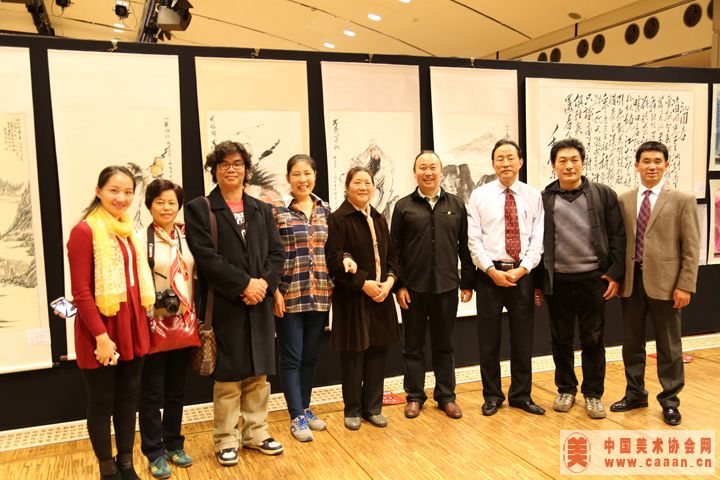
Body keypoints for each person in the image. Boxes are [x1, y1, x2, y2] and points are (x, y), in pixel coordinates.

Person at [185, 140, 285, 466]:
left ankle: (256, 432)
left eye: (237, 163)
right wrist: (244, 284)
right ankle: (226, 439)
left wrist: (264, 285)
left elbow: (276, 254)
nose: (231, 169)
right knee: (228, 378)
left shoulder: (262, 209)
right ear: (214, 170)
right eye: (224, 164)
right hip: (225, 304)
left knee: (258, 375)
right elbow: (207, 259)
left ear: (246, 169)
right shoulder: (200, 208)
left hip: (259, 304)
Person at [67, 166, 156, 480]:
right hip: (101, 329)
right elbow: (81, 292)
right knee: (102, 401)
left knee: (128, 399)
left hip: (131, 324)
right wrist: (101, 337)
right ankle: (108, 470)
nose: (122, 198)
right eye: (114, 191)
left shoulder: (126, 228)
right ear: (99, 191)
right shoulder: (84, 231)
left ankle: (127, 464)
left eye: (128, 192)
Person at [610, 141, 700, 426]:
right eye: (646, 161)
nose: (652, 166)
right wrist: (616, 277)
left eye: (657, 161)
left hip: (668, 284)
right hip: (631, 282)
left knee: (669, 346)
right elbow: (619, 242)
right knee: (631, 344)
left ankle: (670, 401)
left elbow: (691, 247)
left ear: (666, 165)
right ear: (636, 165)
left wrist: (685, 284)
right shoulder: (624, 200)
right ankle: (635, 393)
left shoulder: (682, 200)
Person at [537, 138, 625, 419]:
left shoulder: (602, 194)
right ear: (553, 166)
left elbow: (618, 236)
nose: (569, 166)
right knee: (560, 339)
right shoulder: (544, 199)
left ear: (583, 163)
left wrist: (614, 274)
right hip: (558, 281)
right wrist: (539, 283)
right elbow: (535, 243)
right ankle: (566, 388)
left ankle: (593, 393)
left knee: (593, 338)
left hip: (593, 279)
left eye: (574, 160)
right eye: (562, 161)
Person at [391, 151, 474, 420]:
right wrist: (399, 286)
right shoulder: (403, 207)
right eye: (422, 167)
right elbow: (395, 250)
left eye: (433, 167)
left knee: (444, 345)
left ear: (441, 171)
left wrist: (468, 282)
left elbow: (465, 247)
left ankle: (446, 396)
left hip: (447, 287)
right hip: (413, 288)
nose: (428, 172)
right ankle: (414, 396)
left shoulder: (456, 205)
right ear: (415, 172)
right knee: (413, 346)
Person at [467, 139, 545, 417]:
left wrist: (523, 269)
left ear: (520, 162)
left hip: (522, 274)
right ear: (493, 164)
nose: (505, 163)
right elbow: (473, 240)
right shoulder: (480, 196)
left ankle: (521, 395)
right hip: (489, 275)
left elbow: (537, 239)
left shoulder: (533, 196)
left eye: (511, 158)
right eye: (500, 158)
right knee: (488, 340)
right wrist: (491, 270)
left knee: (522, 339)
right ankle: (492, 396)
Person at [326, 166, 400, 430]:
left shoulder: (379, 218)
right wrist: (363, 283)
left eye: (367, 182)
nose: (363, 187)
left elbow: (392, 256)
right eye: (357, 182)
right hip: (353, 298)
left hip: (382, 295)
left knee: (378, 353)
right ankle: (353, 410)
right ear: (347, 187)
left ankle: (373, 408)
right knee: (353, 356)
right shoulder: (338, 219)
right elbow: (334, 260)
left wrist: (389, 282)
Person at [272, 154, 332, 442]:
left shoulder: (326, 211)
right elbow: (269, 256)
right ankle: (295, 415)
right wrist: (274, 291)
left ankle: (306, 409)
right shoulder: (277, 212)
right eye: (296, 174)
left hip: (320, 294)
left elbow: (332, 250)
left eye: (307, 173)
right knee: (292, 358)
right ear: (288, 178)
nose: (302, 179)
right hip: (290, 294)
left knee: (310, 357)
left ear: (315, 176)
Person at [138, 179, 195, 479]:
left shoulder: (186, 236)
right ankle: (154, 451)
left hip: (183, 322)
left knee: (176, 390)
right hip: (153, 325)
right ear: (150, 205)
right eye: (160, 202)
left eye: (172, 202)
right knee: (151, 392)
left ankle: (174, 443)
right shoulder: (140, 239)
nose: (166, 207)